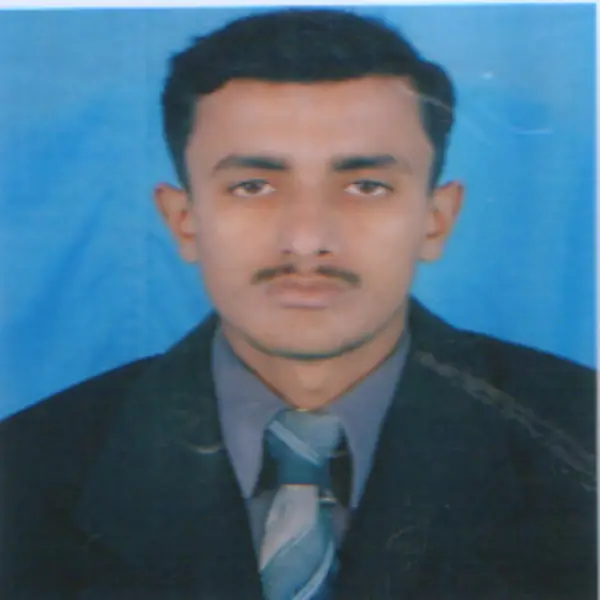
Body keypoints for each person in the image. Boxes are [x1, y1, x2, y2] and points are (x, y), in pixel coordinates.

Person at [0, 8, 595, 600]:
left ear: (436, 220)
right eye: (253, 186)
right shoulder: (24, 470)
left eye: (366, 186)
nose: (307, 239)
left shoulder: (582, 439)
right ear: (184, 220)